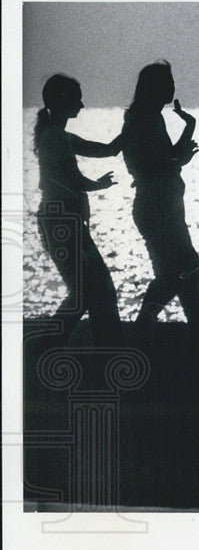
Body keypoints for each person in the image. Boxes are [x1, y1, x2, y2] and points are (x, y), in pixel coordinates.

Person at [121, 61, 199, 343]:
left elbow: (168, 159)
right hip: (156, 206)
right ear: (153, 88)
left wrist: (189, 128)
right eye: (167, 82)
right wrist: (180, 159)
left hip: (165, 204)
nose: (172, 88)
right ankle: (149, 329)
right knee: (179, 273)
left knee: (180, 272)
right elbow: (150, 166)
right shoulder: (142, 119)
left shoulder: (149, 117)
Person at [33, 73, 124, 347]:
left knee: (89, 289)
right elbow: (72, 179)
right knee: (90, 289)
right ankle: (50, 343)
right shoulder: (55, 137)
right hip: (61, 221)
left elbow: (106, 150)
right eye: (77, 99)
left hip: (64, 221)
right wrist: (98, 185)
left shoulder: (58, 135)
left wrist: (128, 132)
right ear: (63, 101)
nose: (82, 105)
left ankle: (101, 344)